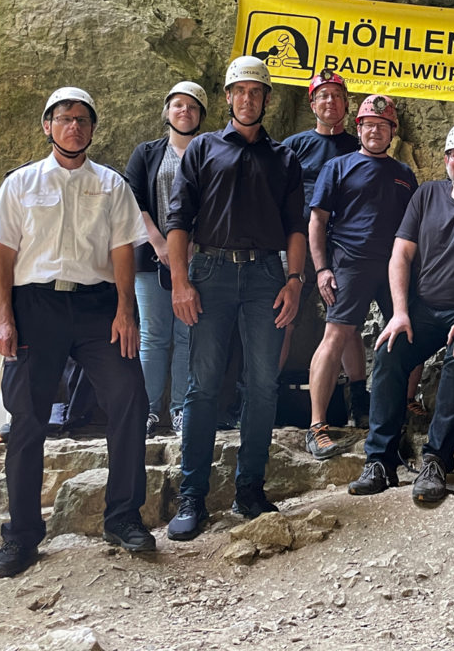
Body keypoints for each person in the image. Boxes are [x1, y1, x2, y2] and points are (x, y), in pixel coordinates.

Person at [0, 87, 154, 578]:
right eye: (63, 118)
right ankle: (22, 537)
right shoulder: (20, 184)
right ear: (47, 126)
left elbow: (124, 251)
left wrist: (127, 312)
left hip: (100, 307)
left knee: (128, 398)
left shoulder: (113, 185)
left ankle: (122, 517)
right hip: (36, 305)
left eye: (81, 119)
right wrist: (6, 318)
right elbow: (2, 256)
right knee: (27, 417)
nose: (73, 126)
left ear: (93, 129)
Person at [165, 56, 308, 541]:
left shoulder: (285, 159)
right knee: (203, 386)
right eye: (238, 91)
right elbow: (178, 221)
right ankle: (193, 495)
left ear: (267, 99)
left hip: (268, 276)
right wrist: (181, 282)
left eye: (256, 92)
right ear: (226, 98)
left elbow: (296, 227)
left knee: (263, 384)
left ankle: (250, 488)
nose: (247, 99)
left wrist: (295, 281)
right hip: (210, 275)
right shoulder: (202, 149)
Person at [349, 123, 454, 503]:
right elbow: (401, 254)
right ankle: (380, 460)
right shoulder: (426, 194)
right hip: (426, 305)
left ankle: (436, 461)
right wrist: (399, 313)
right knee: (390, 352)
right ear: (446, 160)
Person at [304, 95, 417, 460]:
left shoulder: (404, 174)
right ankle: (317, 425)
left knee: (411, 332)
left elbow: (413, 227)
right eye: (369, 124)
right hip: (350, 263)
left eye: (383, 126)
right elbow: (317, 221)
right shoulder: (338, 167)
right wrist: (322, 268)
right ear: (359, 128)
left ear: (392, 132)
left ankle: (399, 408)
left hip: (394, 267)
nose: (375, 131)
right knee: (336, 334)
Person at [282, 71, 376, 427]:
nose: (330, 102)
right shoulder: (293, 146)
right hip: (298, 246)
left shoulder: (359, 146)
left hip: (344, 247)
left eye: (337, 95)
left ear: (347, 103)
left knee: (347, 324)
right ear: (312, 103)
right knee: (284, 319)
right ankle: (256, 398)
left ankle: (358, 399)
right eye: (323, 96)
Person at [125, 81, 206, 437]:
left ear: (201, 114)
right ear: (166, 111)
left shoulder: (211, 152)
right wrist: (159, 243)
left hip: (199, 259)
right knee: (153, 336)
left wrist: (194, 245)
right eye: (178, 105)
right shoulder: (146, 153)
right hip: (151, 258)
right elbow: (132, 199)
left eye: (192, 106)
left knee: (189, 337)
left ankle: (182, 410)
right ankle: (146, 410)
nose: (184, 111)